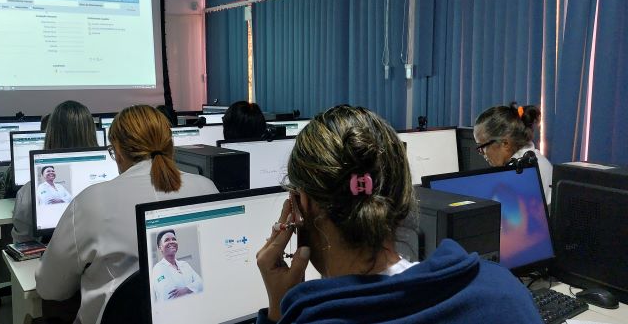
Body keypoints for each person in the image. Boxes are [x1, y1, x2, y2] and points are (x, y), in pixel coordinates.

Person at [255, 105, 542, 323]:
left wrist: (279, 310)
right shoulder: (504, 292)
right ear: (404, 196)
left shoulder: (310, 318)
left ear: (301, 205)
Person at [35, 105, 219, 324]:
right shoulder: (206, 187)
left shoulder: (91, 201)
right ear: (170, 145)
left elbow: (51, 288)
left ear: (118, 151)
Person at [11, 101, 96, 243]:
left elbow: (22, 244)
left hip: (55, 261)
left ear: (50, 134)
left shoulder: (28, 193)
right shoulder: (112, 180)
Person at [473, 103, 552, 202]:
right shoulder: (533, 160)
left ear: (505, 143)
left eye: (481, 146)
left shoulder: (523, 173)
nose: (480, 152)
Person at [151, 229, 203, 301]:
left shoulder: (185, 264)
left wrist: (185, 290)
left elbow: (200, 283)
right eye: (167, 240)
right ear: (160, 248)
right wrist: (193, 288)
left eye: (174, 239)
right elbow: (169, 295)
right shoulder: (158, 268)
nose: (171, 242)